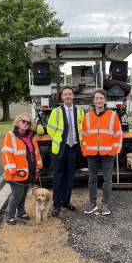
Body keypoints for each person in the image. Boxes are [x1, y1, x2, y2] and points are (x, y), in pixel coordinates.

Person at [82, 89, 123, 215]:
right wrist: (85, 151)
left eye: (101, 98)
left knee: (108, 180)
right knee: (92, 179)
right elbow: (84, 135)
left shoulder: (113, 115)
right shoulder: (88, 116)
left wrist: (114, 151)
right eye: (96, 98)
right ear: (93, 101)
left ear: (105, 100)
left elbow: (118, 135)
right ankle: (92, 204)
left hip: (108, 154)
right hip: (92, 155)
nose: (99, 100)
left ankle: (105, 204)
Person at [47, 85, 84, 217]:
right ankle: (56, 205)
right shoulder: (56, 111)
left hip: (73, 149)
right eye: (65, 94)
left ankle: (66, 201)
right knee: (58, 178)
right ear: (61, 97)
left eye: (70, 94)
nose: (67, 96)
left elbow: (82, 129)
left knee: (70, 178)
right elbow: (50, 130)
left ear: (73, 96)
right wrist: (60, 138)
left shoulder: (79, 111)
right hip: (59, 150)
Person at [1, 113, 43, 225]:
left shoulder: (31, 137)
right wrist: (12, 171)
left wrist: (38, 166)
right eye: (23, 121)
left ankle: (21, 212)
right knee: (17, 196)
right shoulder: (10, 136)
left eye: (28, 122)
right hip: (16, 174)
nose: (25, 123)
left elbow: (36, 153)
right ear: (18, 121)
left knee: (23, 195)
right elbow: (6, 155)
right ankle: (9, 215)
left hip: (28, 173)